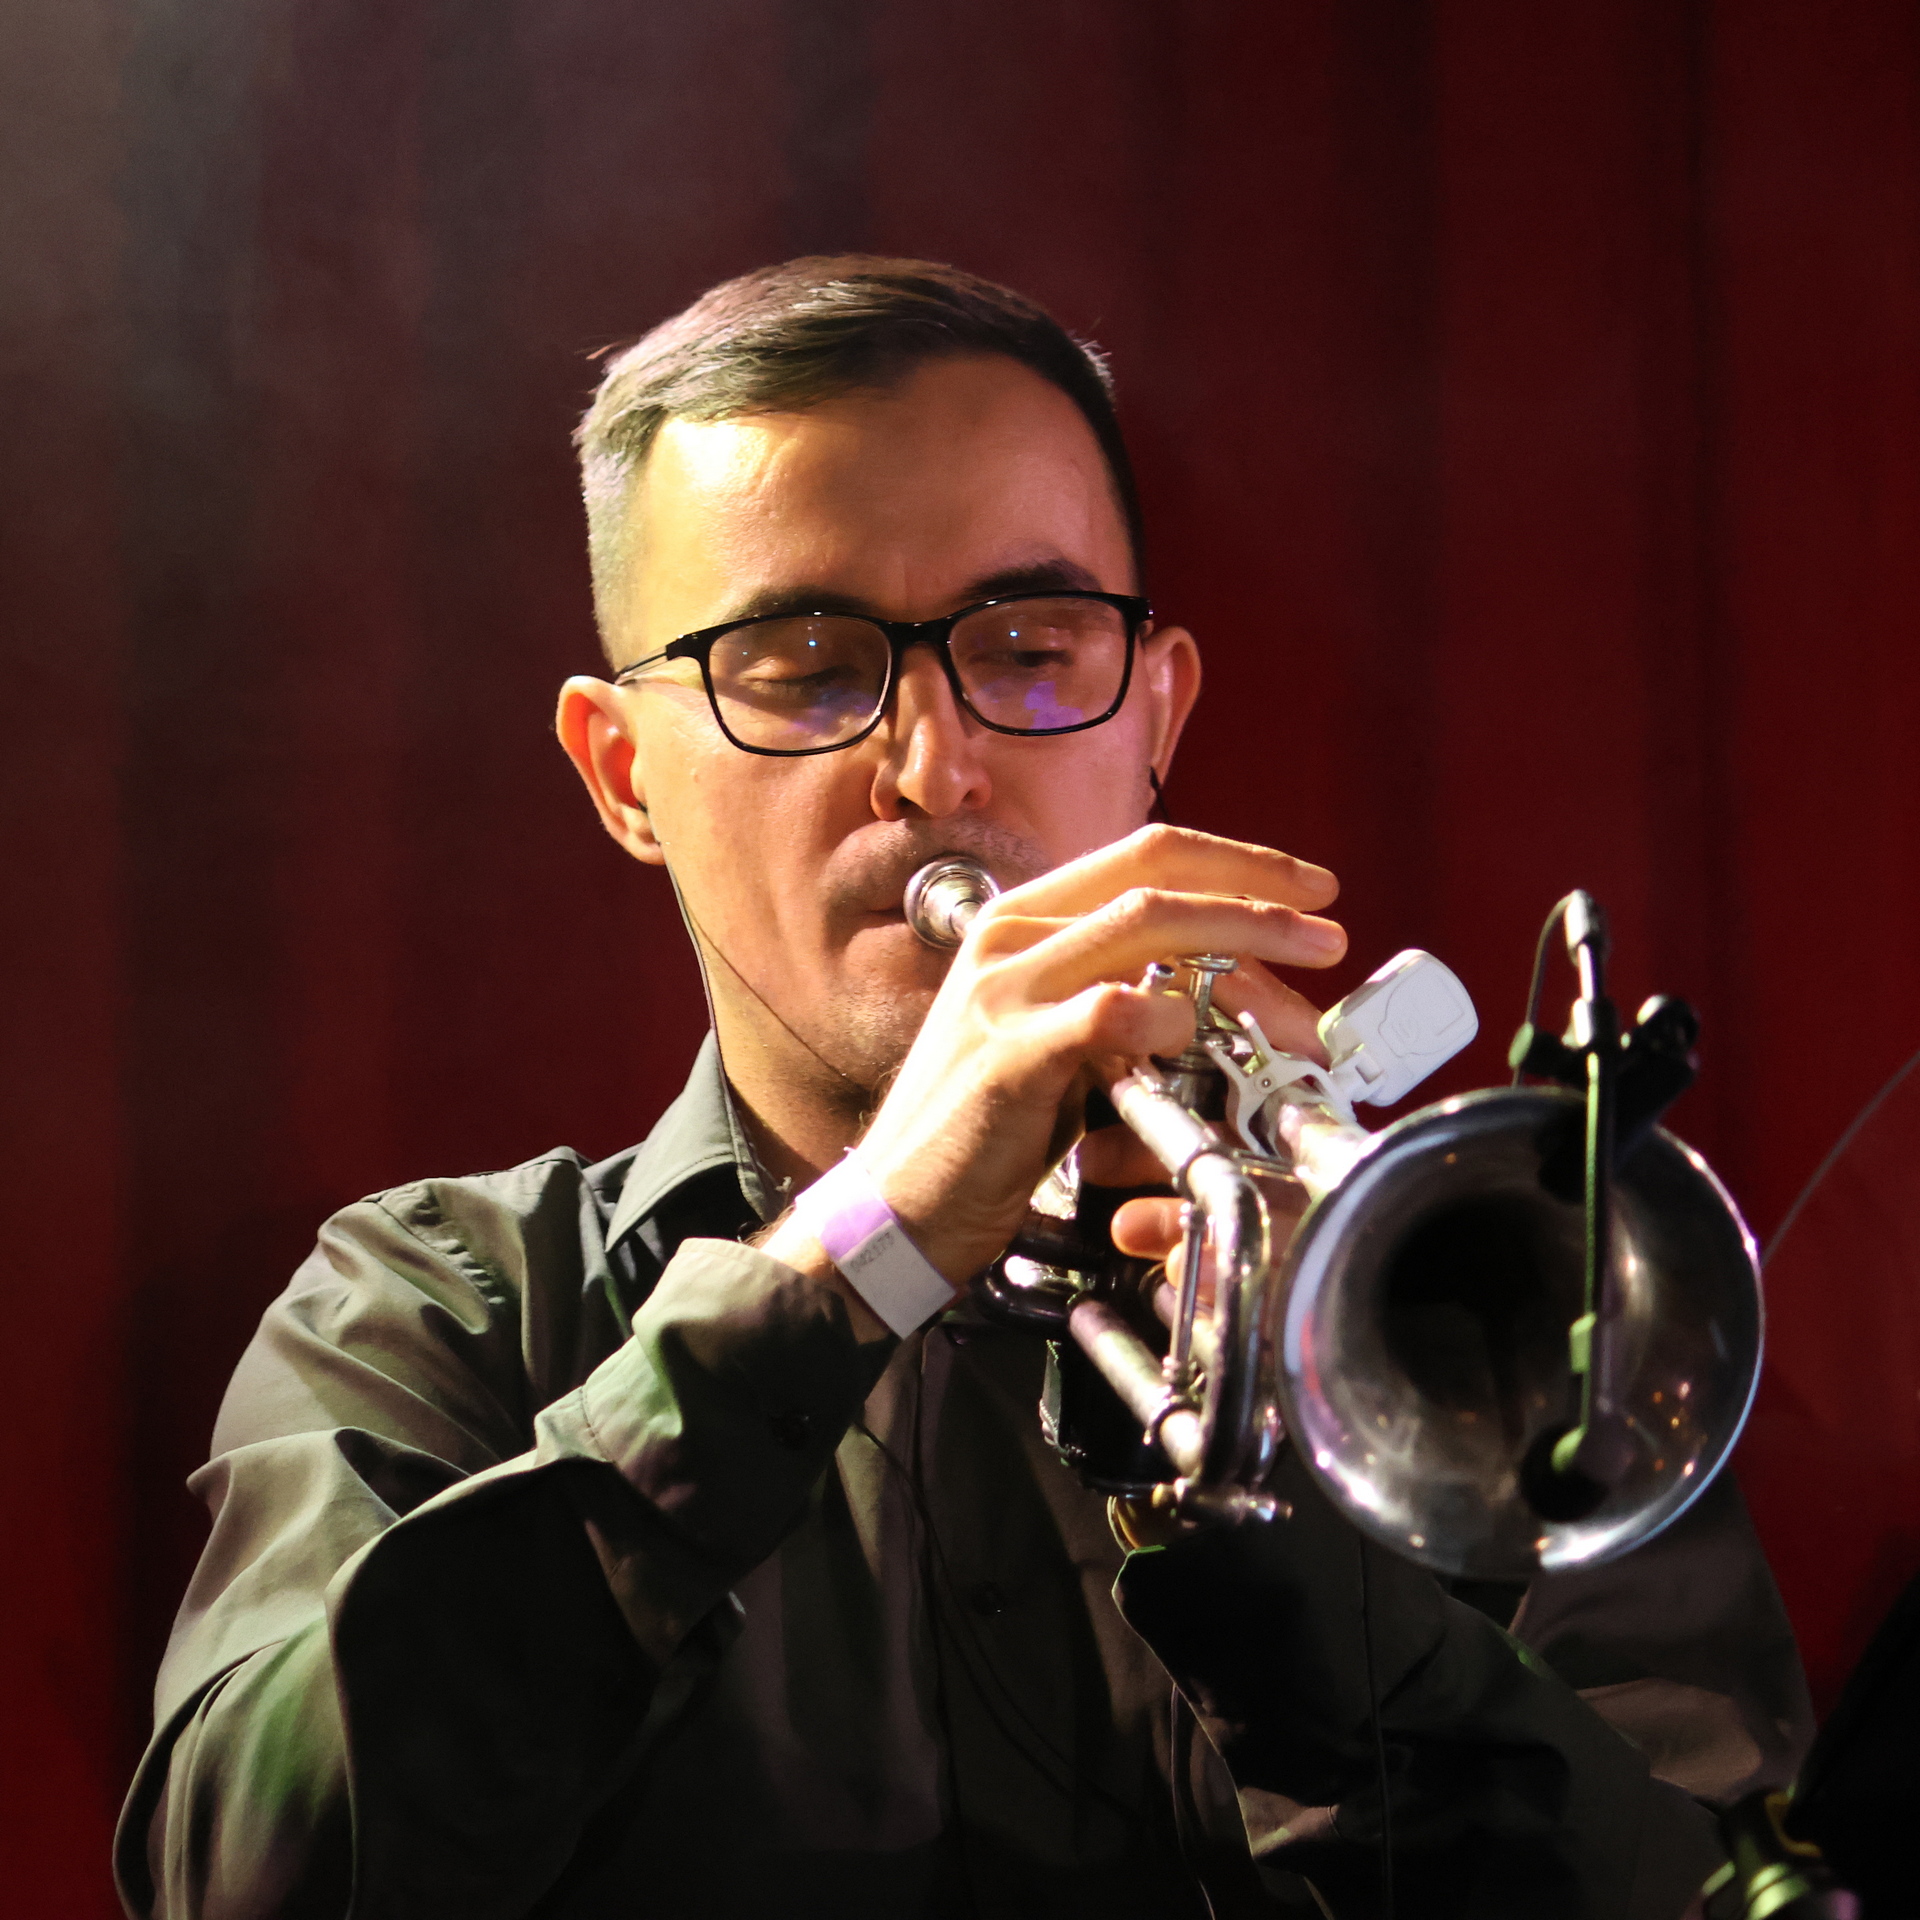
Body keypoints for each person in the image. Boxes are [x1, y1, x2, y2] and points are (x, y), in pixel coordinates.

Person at [116, 257, 1812, 1920]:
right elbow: (241, 1879)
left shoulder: (1475, 1315)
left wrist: (1286, 1534)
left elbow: (1720, 1894)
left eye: (1030, 647)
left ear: (1156, 715)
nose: (936, 768)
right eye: (802, 666)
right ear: (623, 774)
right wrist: (860, 1255)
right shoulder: (440, 1306)